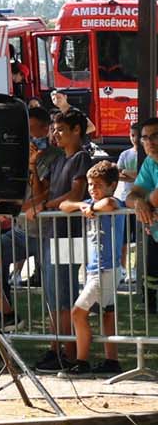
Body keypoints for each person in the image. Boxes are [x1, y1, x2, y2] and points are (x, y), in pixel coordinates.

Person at [0, 103, 56, 325]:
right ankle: (8, 315)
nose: (29, 136)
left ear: (46, 128)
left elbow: (44, 194)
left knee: (55, 293)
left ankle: (61, 341)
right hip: (21, 232)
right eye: (25, 130)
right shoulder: (17, 154)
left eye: (32, 129)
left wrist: (33, 166)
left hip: (49, 233)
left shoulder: (55, 156)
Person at [31, 108, 101, 372]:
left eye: (61, 129)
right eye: (54, 129)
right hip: (52, 233)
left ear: (77, 130)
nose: (56, 134)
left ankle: (69, 352)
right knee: (53, 295)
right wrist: (32, 166)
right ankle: (55, 347)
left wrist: (45, 206)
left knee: (64, 295)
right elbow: (43, 191)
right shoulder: (58, 159)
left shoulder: (81, 158)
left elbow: (75, 193)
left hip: (69, 235)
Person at [59, 160, 128, 374]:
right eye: (90, 184)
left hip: (106, 269)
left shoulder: (113, 202)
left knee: (77, 313)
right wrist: (82, 205)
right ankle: (112, 361)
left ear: (112, 185)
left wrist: (90, 207)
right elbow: (63, 206)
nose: (92, 189)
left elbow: (110, 204)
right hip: (94, 269)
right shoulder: (90, 203)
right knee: (107, 313)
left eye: (98, 185)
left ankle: (81, 361)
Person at [120, 116, 158, 312]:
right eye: (145, 137)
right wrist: (139, 203)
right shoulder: (150, 163)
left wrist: (148, 202)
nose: (149, 142)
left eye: (155, 136)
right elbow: (131, 196)